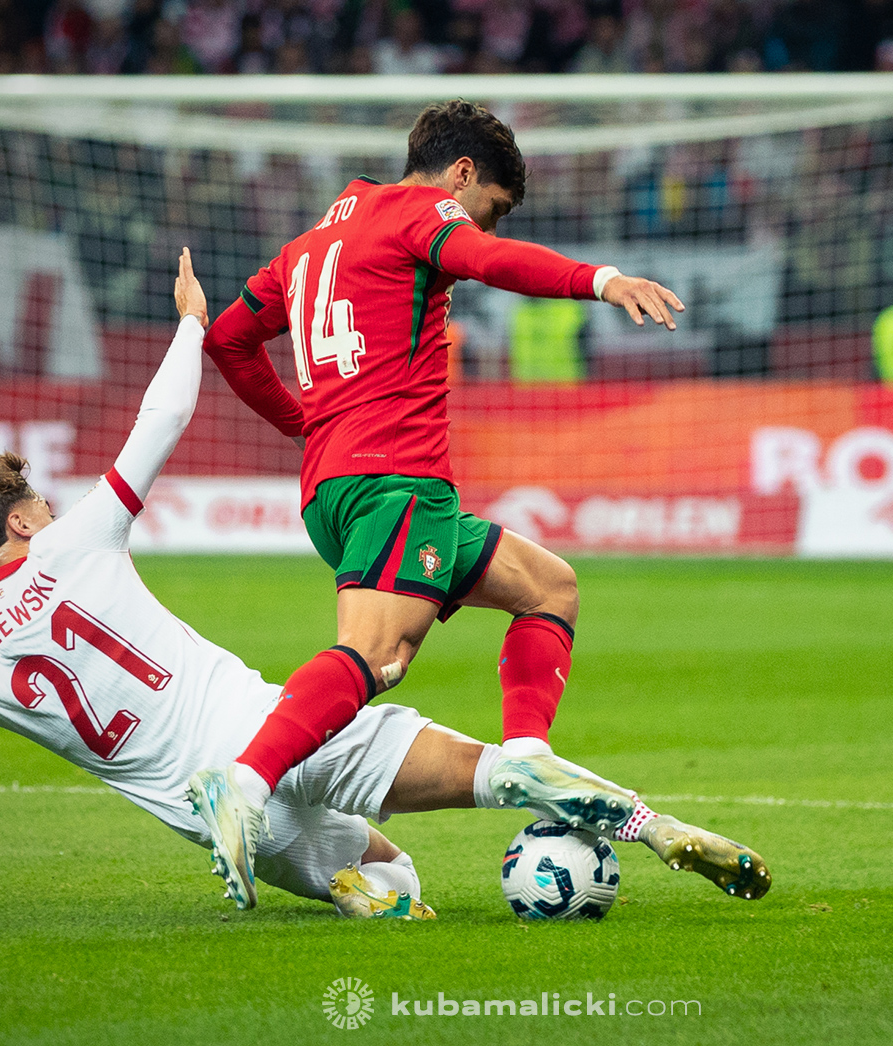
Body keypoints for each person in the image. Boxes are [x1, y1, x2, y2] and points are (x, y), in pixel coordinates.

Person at [0, 251, 770, 915]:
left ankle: (331, 875)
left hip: (215, 817)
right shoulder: (72, 543)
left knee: (396, 883)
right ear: (22, 524)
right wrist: (188, 327)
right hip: (279, 728)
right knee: (497, 770)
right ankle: (656, 829)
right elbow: (156, 427)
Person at [198, 100, 686, 908]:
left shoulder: (309, 244)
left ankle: (527, 752)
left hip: (342, 484)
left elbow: (228, 341)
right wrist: (603, 279)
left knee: (547, 585)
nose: (479, 224)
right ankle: (244, 783)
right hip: (396, 481)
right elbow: (490, 263)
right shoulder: (418, 213)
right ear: (461, 173)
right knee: (377, 656)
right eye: (487, 207)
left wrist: (305, 425)